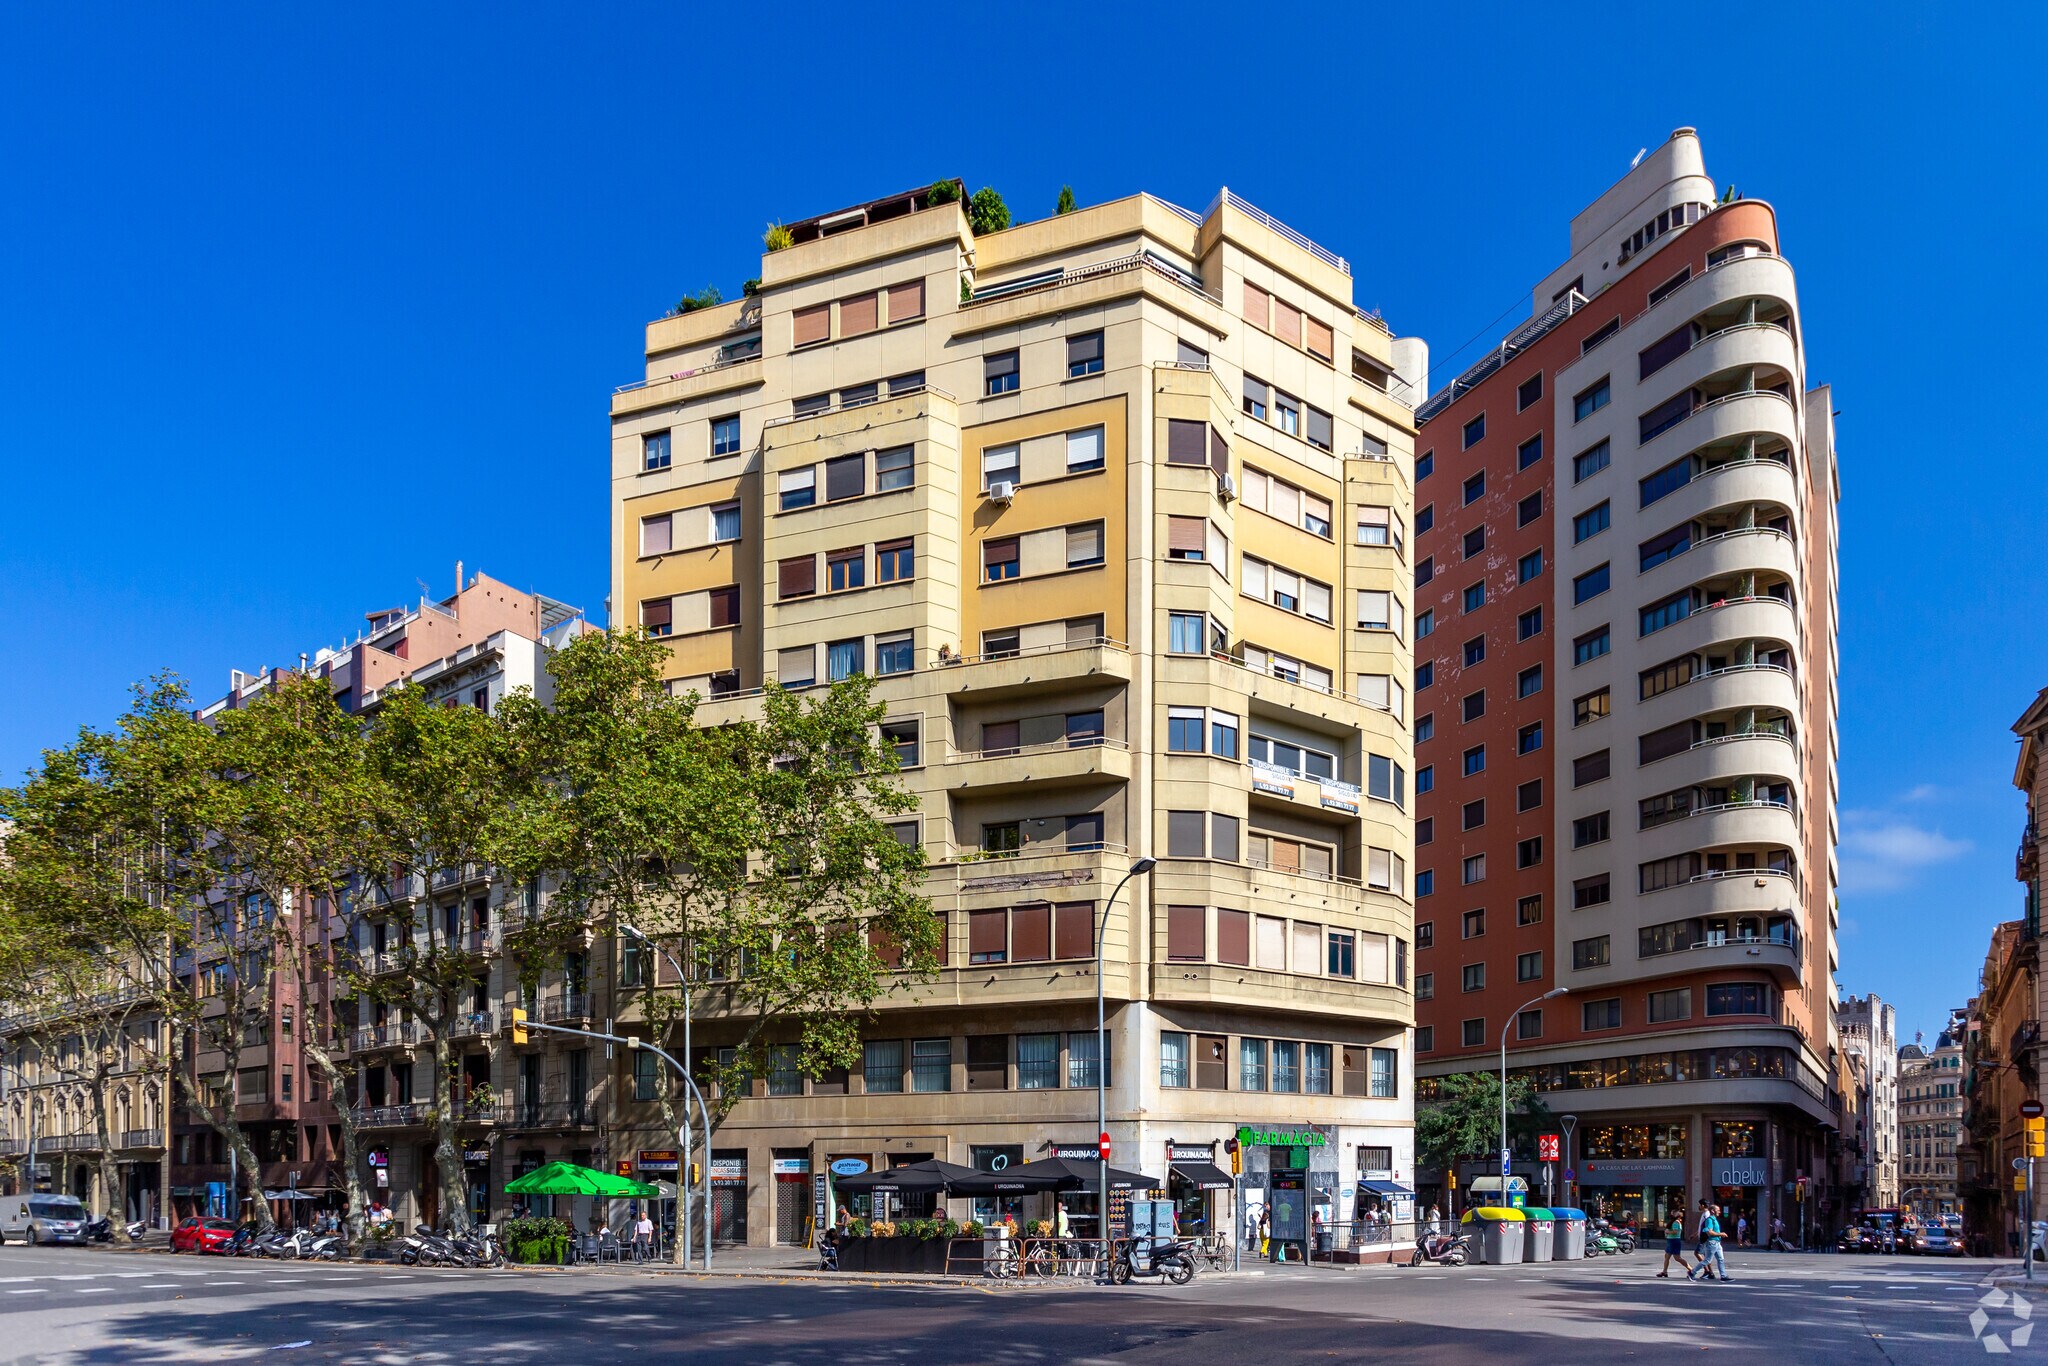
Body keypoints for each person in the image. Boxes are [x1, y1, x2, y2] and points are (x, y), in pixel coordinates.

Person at [1691, 1204, 1729, 1281]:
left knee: (1721, 1259)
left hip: (1717, 1242)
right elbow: (1709, 1232)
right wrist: (1721, 1234)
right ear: (1712, 1211)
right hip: (1712, 1242)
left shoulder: (1714, 1219)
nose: (1719, 1212)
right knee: (1707, 1260)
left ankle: (1723, 1276)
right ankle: (1692, 1272)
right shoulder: (1710, 1220)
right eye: (1718, 1210)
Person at [1657, 1206, 1693, 1278]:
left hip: (1674, 1241)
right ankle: (1664, 1271)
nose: (1671, 1213)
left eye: (1673, 1212)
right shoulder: (1674, 1222)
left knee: (1677, 1258)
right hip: (1671, 1240)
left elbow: (1675, 1231)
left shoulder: (1676, 1222)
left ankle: (1691, 1270)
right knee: (1667, 1256)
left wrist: (1668, 1232)